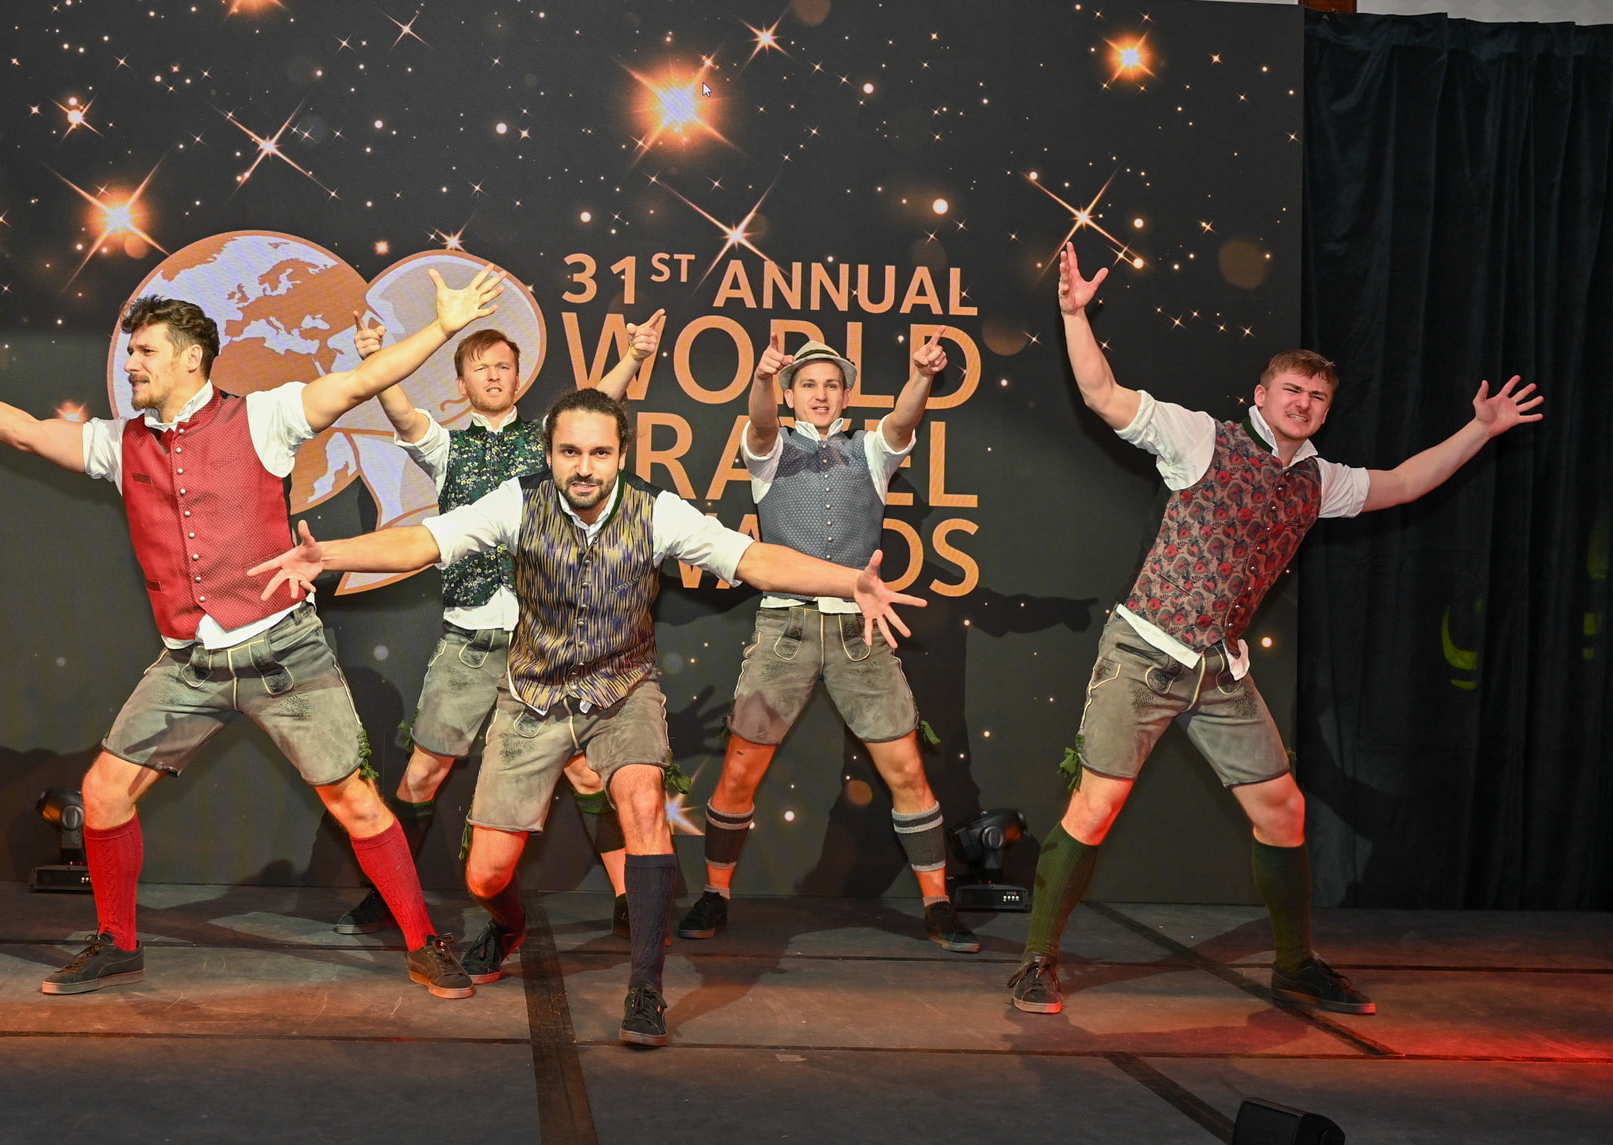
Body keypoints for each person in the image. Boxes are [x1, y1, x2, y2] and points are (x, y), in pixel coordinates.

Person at [0, 266, 505, 999]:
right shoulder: (120, 442)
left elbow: (360, 383)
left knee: (356, 802)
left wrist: (445, 327)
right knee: (104, 791)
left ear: (190, 358)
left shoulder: (265, 417)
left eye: (144, 352)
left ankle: (425, 944)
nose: (130, 364)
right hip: (190, 662)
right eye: (129, 352)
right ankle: (116, 942)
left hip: (284, 654)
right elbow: (23, 433)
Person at [251, 388, 926, 1046]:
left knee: (640, 804)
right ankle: (507, 924)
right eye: (570, 451)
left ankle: (645, 986)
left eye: (599, 453)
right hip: (532, 700)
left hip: (624, 693)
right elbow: (426, 542)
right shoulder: (517, 502)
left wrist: (847, 581)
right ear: (549, 452)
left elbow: (751, 558)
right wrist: (329, 554)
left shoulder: (657, 510)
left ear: (621, 453)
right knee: (485, 874)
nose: (584, 466)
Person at [1011, 243, 1543, 1016]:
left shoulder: (1319, 480)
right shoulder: (1200, 439)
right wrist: (1072, 314)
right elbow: (1102, 394)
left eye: (1317, 397)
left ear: (1326, 410)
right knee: (1095, 807)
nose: (1302, 403)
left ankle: (1295, 963)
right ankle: (1036, 961)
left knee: (1283, 810)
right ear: (1260, 393)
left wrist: (1480, 430)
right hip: (1146, 653)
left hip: (1221, 672)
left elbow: (1400, 484)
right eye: (1291, 389)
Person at [331, 309, 668, 940]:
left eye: (504, 366)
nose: (493, 374)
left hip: (550, 645)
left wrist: (636, 356)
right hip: (470, 641)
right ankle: (388, 894)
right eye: (480, 367)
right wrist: (377, 358)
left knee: (588, 772)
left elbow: (599, 408)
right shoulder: (445, 446)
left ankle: (631, 898)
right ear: (460, 383)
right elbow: (402, 415)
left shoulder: (549, 448)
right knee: (424, 770)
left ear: (518, 377)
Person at [672, 330, 981, 953]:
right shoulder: (769, 449)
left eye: (831, 385)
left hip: (858, 630)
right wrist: (762, 381)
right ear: (790, 393)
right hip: (783, 627)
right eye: (807, 384)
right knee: (738, 773)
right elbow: (759, 427)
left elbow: (901, 422)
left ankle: (938, 903)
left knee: (905, 770)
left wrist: (921, 376)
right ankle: (715, 894)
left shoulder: (869, 451)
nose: (820, 394)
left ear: (845, 395)